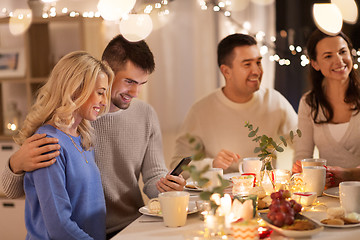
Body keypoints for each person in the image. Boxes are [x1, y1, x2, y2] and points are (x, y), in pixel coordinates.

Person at [1, 35, 186, 238]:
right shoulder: (59, 134)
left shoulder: (82, 132)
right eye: (129, 82)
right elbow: (56, 222)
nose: (136, 92)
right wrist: (15, 163)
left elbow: (153, 176)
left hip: (125, 227)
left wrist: (166, 188)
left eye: (142, 83)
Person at [15, 51, 114, 239]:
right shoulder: (48, 143)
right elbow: (59, 226)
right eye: (100, 92)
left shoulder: (83, 137)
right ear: (76, 89)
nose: (104, 101)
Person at [171, 33, 298, 174]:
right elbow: (177, 165)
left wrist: (299, 171)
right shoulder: (201, 111)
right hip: (221, 193)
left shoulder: (274, 100)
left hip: (265, 192)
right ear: (226, 71)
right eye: (247, 64)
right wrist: (212, 164)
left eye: (258, 62)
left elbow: (301, 142)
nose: (256, 71)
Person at [291, 29, 360, 187]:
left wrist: (347, 174)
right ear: (315, 63)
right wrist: (300, 168)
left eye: (343, 52)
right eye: (328, 56)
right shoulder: (309, 103)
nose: (339, 60)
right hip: (327, 197)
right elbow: (302, 155)